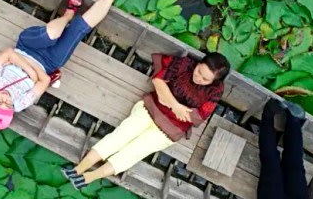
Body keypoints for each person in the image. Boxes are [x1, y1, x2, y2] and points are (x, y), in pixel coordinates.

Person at [0, 0, 131, 130]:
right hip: (49, 62)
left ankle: (67, 15)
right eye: (8, 104)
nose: (5, 99)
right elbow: (45, 81)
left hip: (27, 47)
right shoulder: (20, 104)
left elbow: (9, 52)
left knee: (52, 34)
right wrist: (29, 69)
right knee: (79, 29)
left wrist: (32, 74)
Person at [62, 51, 230, 188]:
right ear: (199, 63)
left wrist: (167, 98)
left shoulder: (215, 91)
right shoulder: (186, 65)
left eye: (205, 79)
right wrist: (176, 106)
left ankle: (89, 177)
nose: (198, 78)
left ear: (214, 82)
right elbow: (158, 80)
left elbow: (195, 117)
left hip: (170, 129)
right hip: (150, 109)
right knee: (119, 137)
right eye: (199, 71)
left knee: (133, 152)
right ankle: (78, 169)